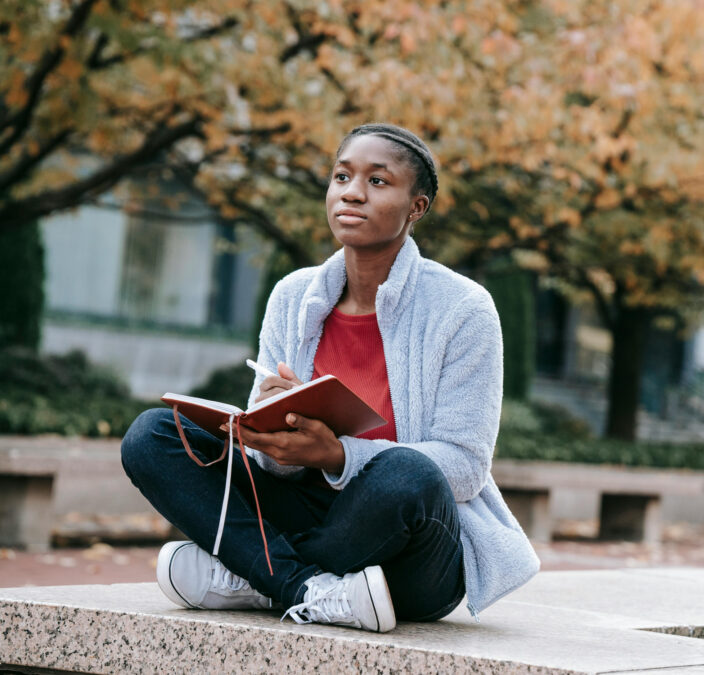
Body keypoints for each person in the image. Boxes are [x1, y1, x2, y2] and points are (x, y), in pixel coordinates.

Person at [121, 123, 539, 632]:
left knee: (407, 473)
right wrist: (266, 433)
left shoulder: (463, 309)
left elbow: (465, 466)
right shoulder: (293, 295)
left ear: (417, 207)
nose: (352, 192)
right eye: (342, 176)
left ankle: (257, 575)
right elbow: (266, 464)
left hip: (409, 549)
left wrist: (337, 455)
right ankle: (303, 587)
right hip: (305, 508)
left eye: (377, 181)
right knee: (153, 434)